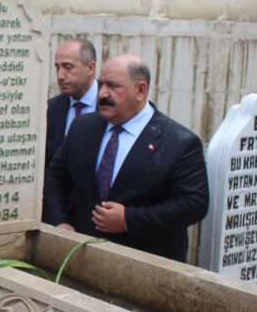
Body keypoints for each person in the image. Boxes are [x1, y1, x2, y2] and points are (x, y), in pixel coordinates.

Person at [43, 54, 209, 262]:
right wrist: (60, 223)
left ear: (140, 90)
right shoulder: (82, 128)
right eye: (101, 84)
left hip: (146, 265)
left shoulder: (179, 142)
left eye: (113, 86)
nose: (102, 94)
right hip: (82, 258)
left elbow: (194, 204)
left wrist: (129, 219)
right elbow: (55, 178)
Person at [45, 39, 97, 167]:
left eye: (68, 67)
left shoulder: (111, 106)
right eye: (57, 68)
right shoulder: (50, 109)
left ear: (90, 68)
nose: (60, 76)